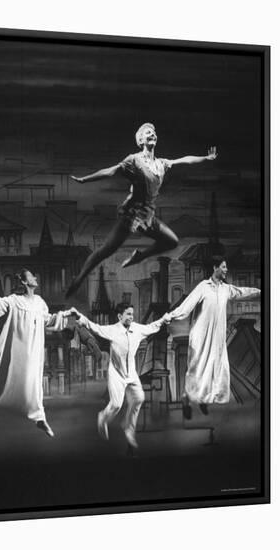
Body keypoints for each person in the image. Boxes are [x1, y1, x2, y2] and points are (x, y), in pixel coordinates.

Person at [65, 122, 217, 297]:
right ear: (141, 140)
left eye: (153, 132)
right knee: (106, 250)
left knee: (171, 241)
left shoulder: (161, 164)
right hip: (132, 214)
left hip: (148, 215)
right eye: (147, 133)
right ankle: (79, 279)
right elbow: (111, 171)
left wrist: (206, 158)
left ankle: (139, 256)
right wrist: (85, 180)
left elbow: (184, 160)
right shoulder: (134, 160)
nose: (152, 134)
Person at [0, 269, 75, 438]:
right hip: (19, 347)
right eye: (31, 276)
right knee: (5, 375)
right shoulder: (15, 300)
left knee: (34, 380)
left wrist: (63, 316)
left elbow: (47, 319)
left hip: (34, 349)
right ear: (25, 282)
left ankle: (39, 417)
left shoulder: (40, 302)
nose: (35, 277)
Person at [167, 257, 261, 419]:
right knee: (196, 368)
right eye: (223, 267)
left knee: (215, 367)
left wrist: (261, 291)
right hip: (201, 335)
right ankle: (186, 400)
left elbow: (241, 292)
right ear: (215, 267)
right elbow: (187, 306)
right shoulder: (203, 287)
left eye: (226, 267)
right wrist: (170, 316)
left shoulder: (226, 289)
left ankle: (203, 399)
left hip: (217, 337)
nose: (226, 270)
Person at [75, 303, 171, 449]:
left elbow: (151, 327)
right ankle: (103, 418)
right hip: (116, 373)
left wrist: (163, 319)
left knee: (139, 398)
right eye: (128, 314)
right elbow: (95, 327)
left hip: (131, 373)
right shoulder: (113, 330)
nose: (131, 317)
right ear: (120, 316)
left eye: (132, 314)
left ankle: (128, 427)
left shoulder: (137, 329)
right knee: (116, 405)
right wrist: (81, 318)